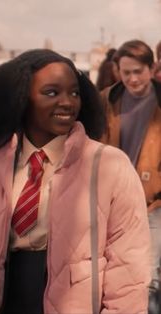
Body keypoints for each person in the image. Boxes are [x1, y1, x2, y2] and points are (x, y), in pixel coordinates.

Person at [0, 49, 150, 314]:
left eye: (74, 93)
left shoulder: (111, 166)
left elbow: (129, 268)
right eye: (52, 93)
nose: (67, 102)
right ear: (20, 98)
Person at [100, 39, 161, 312]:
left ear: (151, 68)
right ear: (117, 71)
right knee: (116, 273)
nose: (133, 79)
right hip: (116, 203)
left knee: (149, 277)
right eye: (126, 73)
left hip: (154, 203)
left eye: (139, 71)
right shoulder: (106, 100)